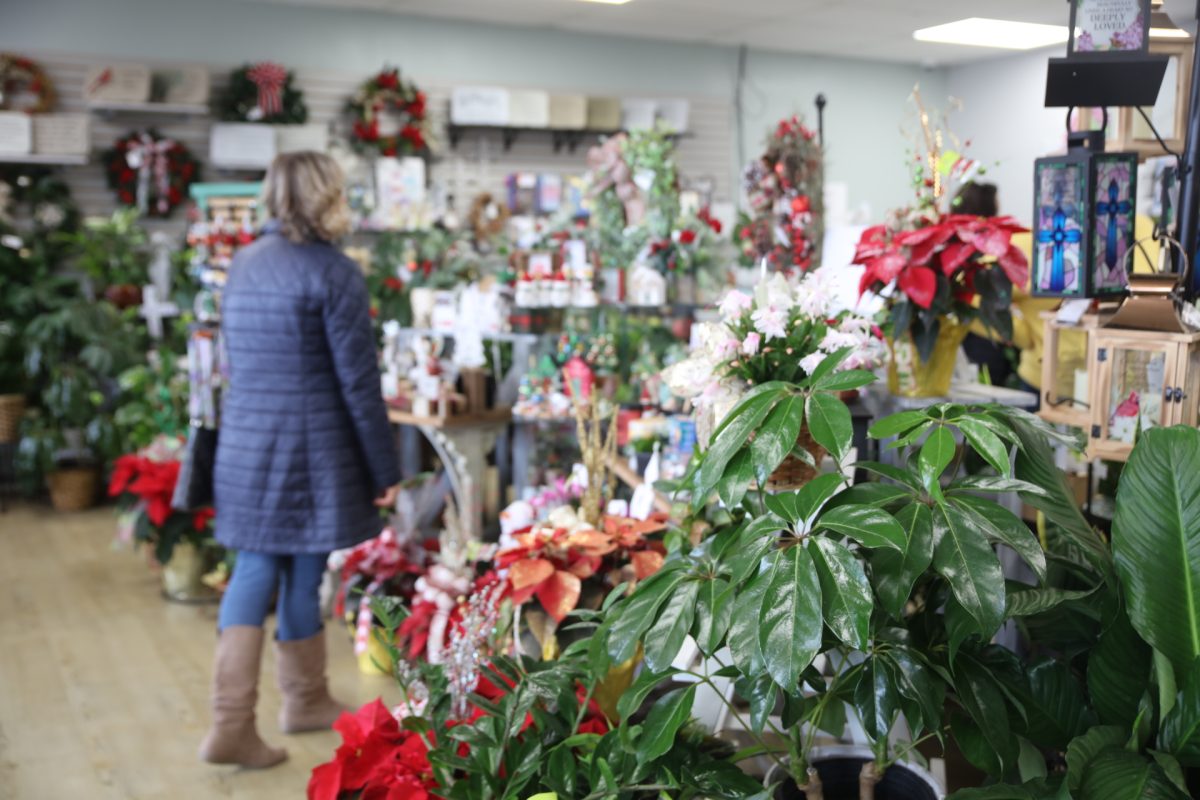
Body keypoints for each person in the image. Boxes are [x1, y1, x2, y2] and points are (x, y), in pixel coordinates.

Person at [200, 151, 402, 768]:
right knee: (294, 570)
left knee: (257, 567)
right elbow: (358, 385)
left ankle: (288, 706)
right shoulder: (335, 272)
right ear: (327, 197)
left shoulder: (242, 264)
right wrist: (385, 470)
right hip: (314, 449)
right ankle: (257, 717)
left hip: (247, 442)